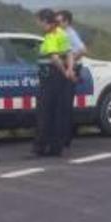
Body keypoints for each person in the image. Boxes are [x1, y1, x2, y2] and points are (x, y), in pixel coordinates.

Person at [33, 9, 75, 157]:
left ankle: (40, 147)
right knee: (58, 112)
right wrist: (69, 70)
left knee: (44, 112)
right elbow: (69, 53)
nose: (38, 24)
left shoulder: (50, 35)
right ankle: (56, 147)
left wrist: (64, 71)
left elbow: (55, 58)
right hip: (61, 78)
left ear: (45, 21)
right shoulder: (62, 32)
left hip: (50, 76)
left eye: (39, 21)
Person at [56, 10, 86, 147]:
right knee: (62, 104)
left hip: (71, 70)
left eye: (59, 21)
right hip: (67, 69)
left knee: (66, 104)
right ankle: (62, 135)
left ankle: (65, 138)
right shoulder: (61, 33)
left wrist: (69, 62)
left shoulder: (70, 33)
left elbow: (83, 50)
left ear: (66, 22)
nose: (57, 23)